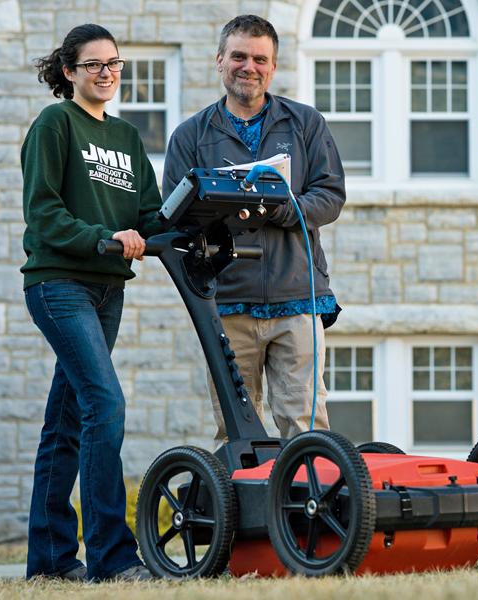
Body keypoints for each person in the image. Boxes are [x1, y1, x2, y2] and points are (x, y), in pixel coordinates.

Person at [21, 23, 162, 582]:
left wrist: (188, 229)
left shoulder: (127, 138)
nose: (107, 73)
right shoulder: (55, 123)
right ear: (68, 72)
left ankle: (52, 564)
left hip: (108, 289)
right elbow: (44, 213)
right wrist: (103, 237)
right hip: (59, 285)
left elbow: (150, 212)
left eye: (114, 64)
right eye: (93, 64)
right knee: (106, 404)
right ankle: (112, 558)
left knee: (67, 420)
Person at [163, 15, 346, 441]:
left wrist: (279, 208)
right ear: (220, 61)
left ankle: (304, 507)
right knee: (235, 432)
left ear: (273, 66)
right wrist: (222, 212)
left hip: (298, 298)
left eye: (260, 59)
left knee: (305, 427)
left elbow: (330, 195)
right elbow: (172, 217)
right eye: (239, 56)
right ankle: (243, 509)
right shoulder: (190, 135)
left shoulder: (305, 123)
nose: (250, 67)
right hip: (226, 304)